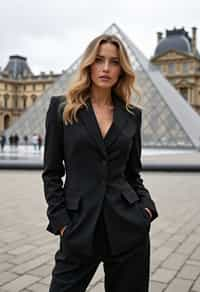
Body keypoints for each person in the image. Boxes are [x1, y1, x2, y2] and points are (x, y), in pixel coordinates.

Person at [42, 34, 159, 292]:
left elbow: (132, 174)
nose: (105, 68)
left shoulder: (132, 115)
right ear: (88, 64)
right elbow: (51, 173)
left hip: (128, 227)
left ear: (122, 69)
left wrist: (146, 209)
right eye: (99, 60)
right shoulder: (62, 108)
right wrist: (61, 221)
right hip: (78, 226)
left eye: (114, 62)